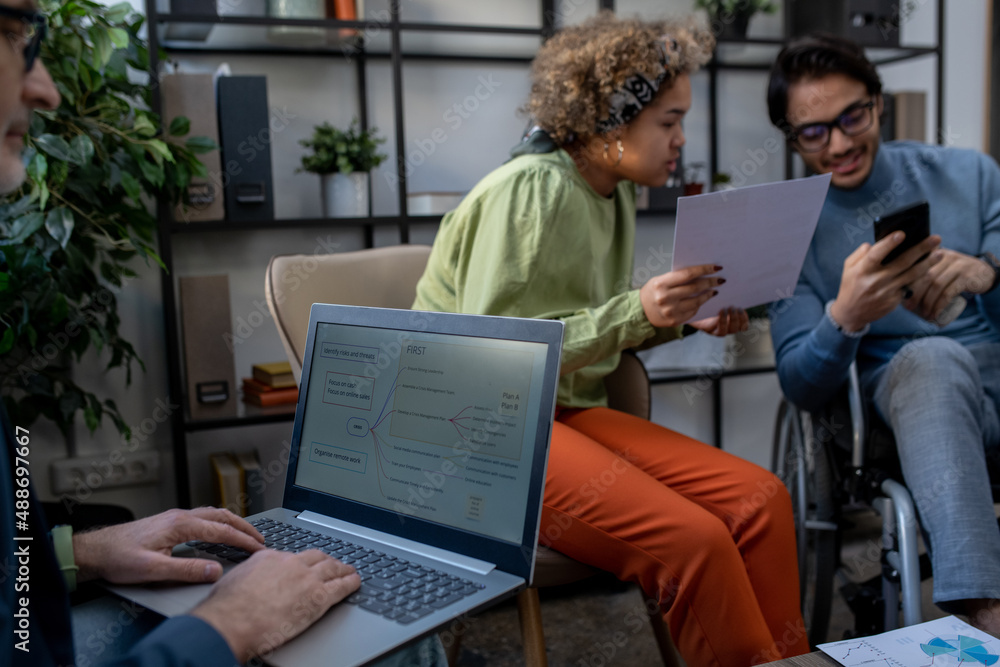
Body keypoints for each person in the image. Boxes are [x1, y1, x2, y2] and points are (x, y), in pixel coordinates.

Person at [413, 14, 810, 666]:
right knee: (695, 539)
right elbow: (494, 359)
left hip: (565, 409)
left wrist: (679, 317)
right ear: (609, 119)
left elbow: (590, 328)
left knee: (760, 499)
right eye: (667, 121)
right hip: (484, 430)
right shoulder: (532, 191)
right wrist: (637, 311)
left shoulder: (612, 190)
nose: (681, 138)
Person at [767, 32, 1000, 634]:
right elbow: (799, 382)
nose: (840, 144)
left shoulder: (970, 173)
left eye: (853, 116)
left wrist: (986, 276)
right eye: (814, 132)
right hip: (910, 401)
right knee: (934, 357)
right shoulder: (786, 230)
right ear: (792, 138)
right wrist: (843, 319)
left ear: (878, 101)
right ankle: (982, 616)